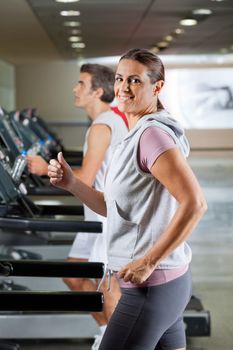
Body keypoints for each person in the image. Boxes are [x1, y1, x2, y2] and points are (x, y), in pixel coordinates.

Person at [48, 49, 207, 350]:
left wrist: (148, 262)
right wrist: (71, 184)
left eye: (135, 80)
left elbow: (195, 204)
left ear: (157, 87)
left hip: (151, 287)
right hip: (166, 284)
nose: (123, 87)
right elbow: (114, 208)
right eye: (120, 79)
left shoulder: (152, 136)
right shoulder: (132, 136)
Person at [28, 63, 128, 350]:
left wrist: (42, 169)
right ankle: (109, 333)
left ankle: (116, 341)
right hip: (95, 215)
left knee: (107, 287)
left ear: (98, 91)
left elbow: (83, 178)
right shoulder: (106, 122)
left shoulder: (102, 125)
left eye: (81, 84)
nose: (75, 89)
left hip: (106, 218)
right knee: (73, 274)